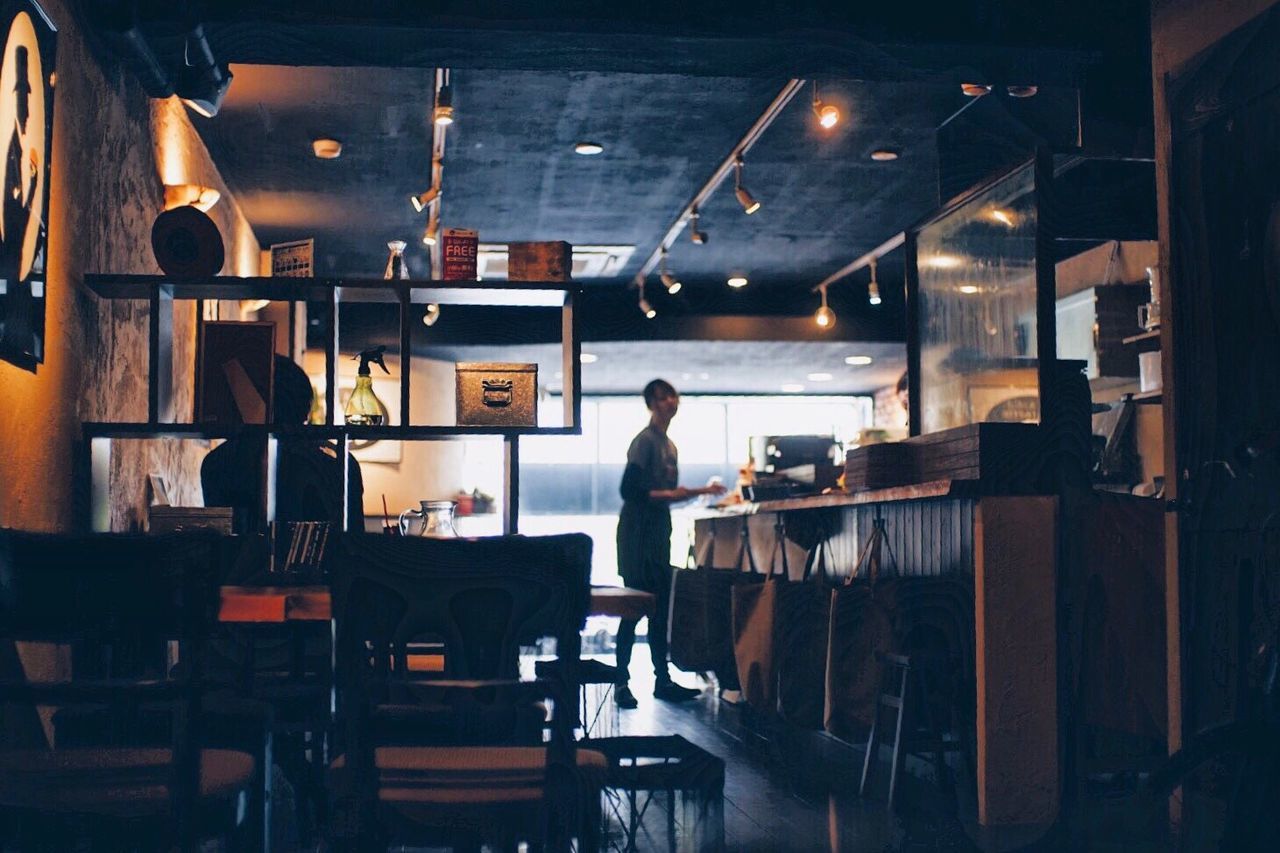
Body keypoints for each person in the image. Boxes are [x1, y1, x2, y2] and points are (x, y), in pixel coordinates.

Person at [614, 379, 726, 708]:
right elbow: (630, 491)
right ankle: (622, 683)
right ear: (651, 404)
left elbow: (663, 496)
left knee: (660, 608)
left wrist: (690, 494)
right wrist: (694, 492)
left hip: (659, 529)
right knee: (634, 607)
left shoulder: (670, 445)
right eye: (663, 397)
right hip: (637, 533)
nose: (671, 402)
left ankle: (662, 680)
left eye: (673, 395)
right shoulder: (644, 442)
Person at [202, 355, 364, 538]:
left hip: (242, 565)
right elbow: (354, 543)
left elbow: (222, 539)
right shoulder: (339, 460)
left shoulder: (220, 461)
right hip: (323, 564)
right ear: (306, 407)